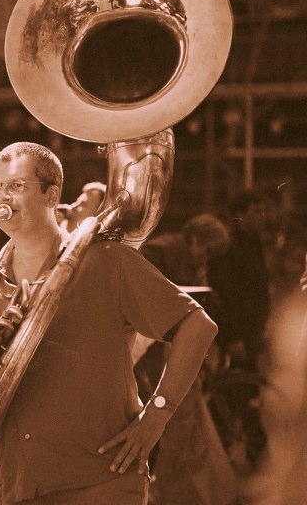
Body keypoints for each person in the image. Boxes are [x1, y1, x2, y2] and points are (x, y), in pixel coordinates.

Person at [0, 142, 218, 504]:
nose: (0, 197)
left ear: (51, 194)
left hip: (102, 478)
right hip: (23, 481)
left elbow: (198, 326)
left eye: (15, 186)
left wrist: (156, 417)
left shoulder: (107, 262)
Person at [138, 213, 238, 505]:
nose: (206, 258)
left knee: (181, 414)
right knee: (171, 410)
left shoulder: (188, 255)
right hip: (154, 343)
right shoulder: (161, 251)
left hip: (170, 341)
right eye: (206, 250)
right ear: (197, 238)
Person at [208, 191, 270, 371]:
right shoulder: (228, 246)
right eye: (257, 211)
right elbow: (225, 293)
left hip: (252, 328)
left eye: (264, 211)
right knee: (235, 383)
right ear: (241, 214)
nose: (263, 217)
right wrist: (232, 337)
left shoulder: (254, 242)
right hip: (238, 331)